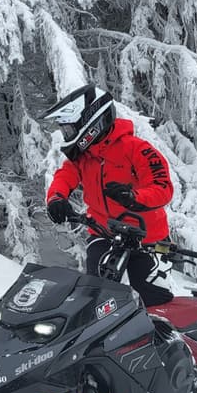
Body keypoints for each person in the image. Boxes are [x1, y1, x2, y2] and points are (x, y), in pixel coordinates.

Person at [42, 84, 174, 306]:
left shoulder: (137, 148)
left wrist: (134, 197)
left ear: (90, 122)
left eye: (69, 130)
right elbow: (64, 177)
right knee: (94, 293)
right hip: (105, 232)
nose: (67, 135)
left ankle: (163, 327)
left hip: (148, 237)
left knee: (152, 298)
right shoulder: (82, 156)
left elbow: (163, 187)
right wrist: (56, 198)